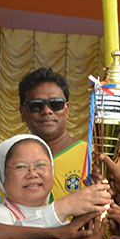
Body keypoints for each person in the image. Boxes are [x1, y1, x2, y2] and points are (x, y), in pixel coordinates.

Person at [18, 67, 86, 200]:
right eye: (36, 105)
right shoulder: (13, 161)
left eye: (56, 104)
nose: (47, 111)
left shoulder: (92, 156)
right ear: (23, 113)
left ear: (66, 110)